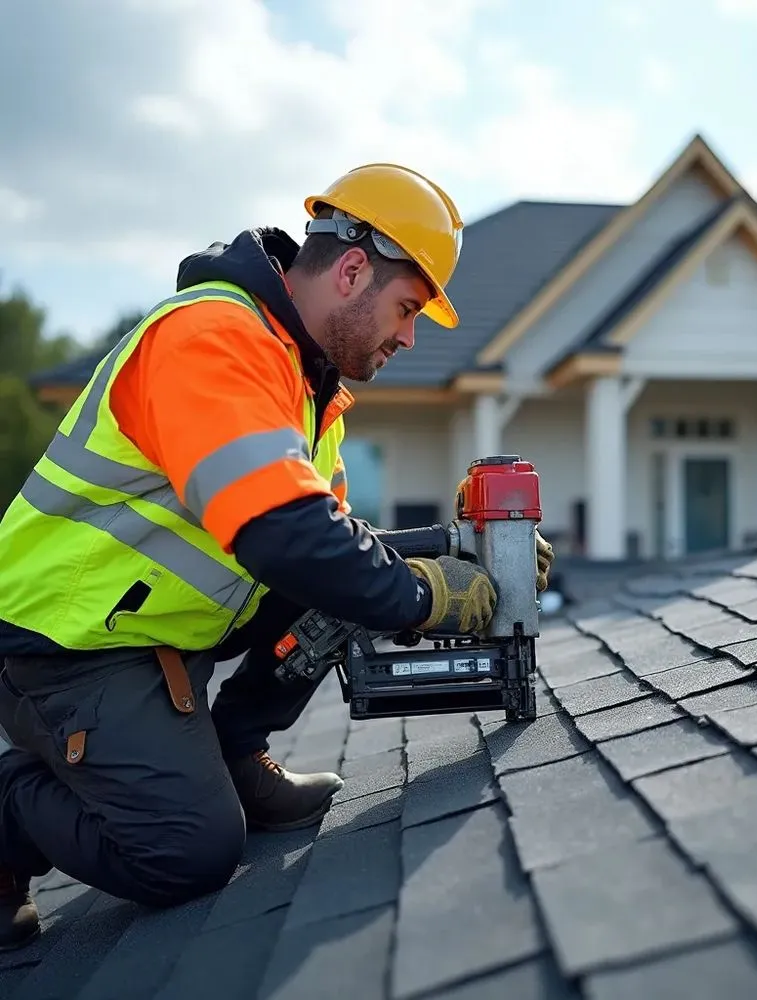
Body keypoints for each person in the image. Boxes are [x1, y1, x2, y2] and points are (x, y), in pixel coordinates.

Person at [0, 163, 555, 950]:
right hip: (65, 646)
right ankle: (8, 811)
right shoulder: (213, 338)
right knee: (188, 853)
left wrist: (468, 556)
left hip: (150, 634)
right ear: (354, 270)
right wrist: (433, 596)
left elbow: (333, 549)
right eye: (407, 309)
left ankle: (233, 749)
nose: (409, 335)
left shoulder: (304, 381)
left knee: (343, 577)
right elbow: (287, 536)